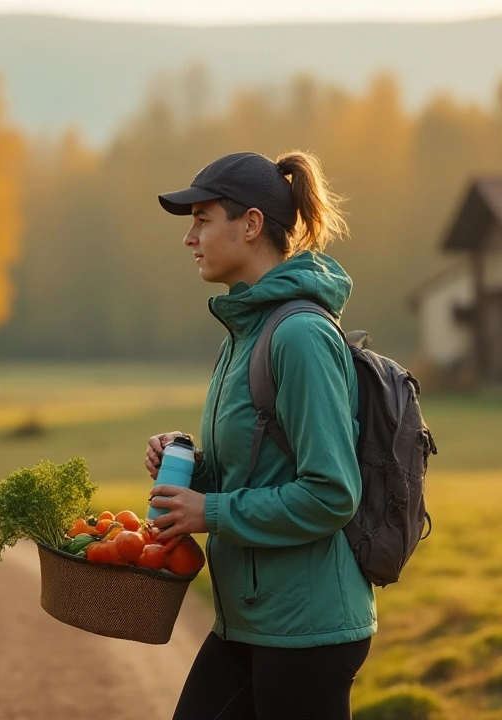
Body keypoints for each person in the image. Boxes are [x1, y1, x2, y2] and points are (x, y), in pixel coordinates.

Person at [144, 150, 373, 720]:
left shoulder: (299, 336)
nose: (189, 238)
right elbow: (258, 469)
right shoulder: (243, 334)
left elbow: (331, 493)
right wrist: (190, 469)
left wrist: (210, 511)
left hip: (306, 629)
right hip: (251, 619)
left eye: (202, 219)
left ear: (249, 225)